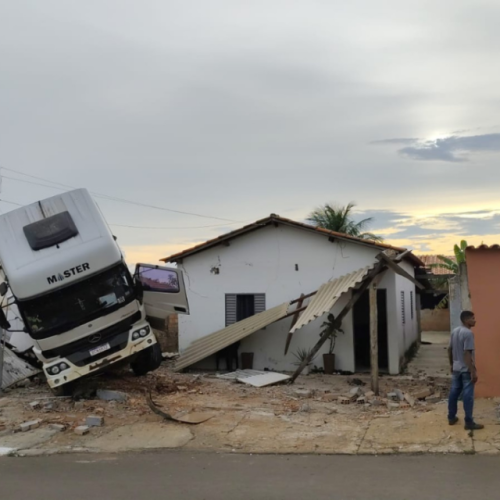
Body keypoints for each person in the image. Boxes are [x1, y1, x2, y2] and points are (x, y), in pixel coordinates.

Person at [447, 310, 483, 430]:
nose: (475, 320)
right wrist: (472, 371)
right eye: (472, 318)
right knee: (468, 395)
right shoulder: (468, 333)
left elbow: (449, 349)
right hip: (465, 368)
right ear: (466, 320)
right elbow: (467, 353)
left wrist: (451, 364)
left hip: (457, 367)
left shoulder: (455, 331)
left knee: (454, 392)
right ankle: (469, 421)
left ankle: (451, 417)